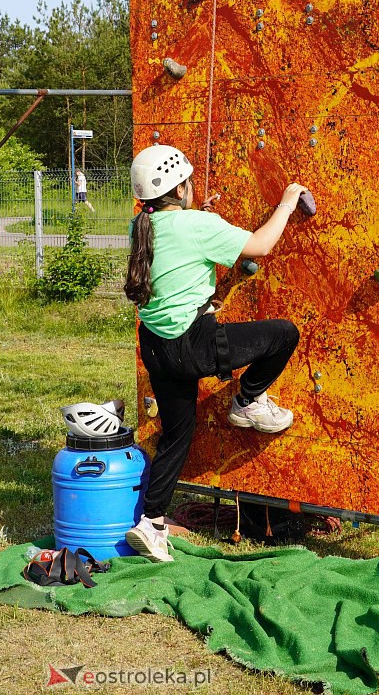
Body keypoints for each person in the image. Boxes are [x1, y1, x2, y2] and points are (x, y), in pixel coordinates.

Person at [123, 144, 306, 563]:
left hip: (155, 346)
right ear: (182, 187)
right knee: (283, 334)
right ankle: (246, 401)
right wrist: (286, 203)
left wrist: (197, 215)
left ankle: (151, 523)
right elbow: (260, 246)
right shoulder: (198, 224)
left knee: (177, 435)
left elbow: (177, 240)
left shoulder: (141, 226)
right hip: (193, 343)